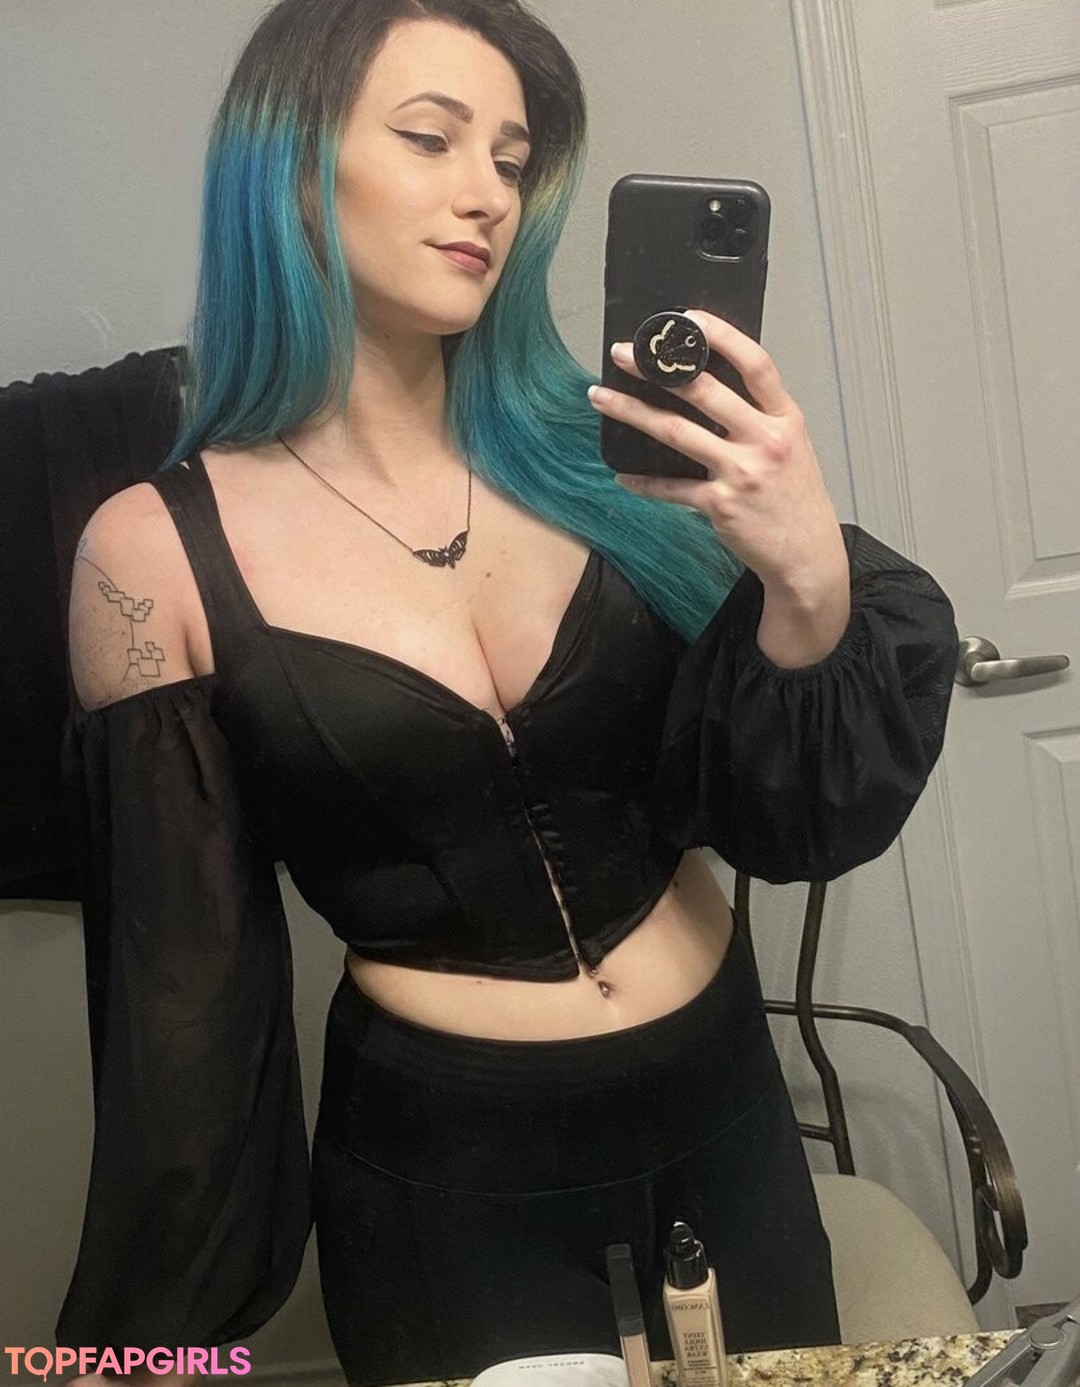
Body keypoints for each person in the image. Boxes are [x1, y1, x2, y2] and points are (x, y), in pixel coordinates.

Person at [59, 1, 958, 1383]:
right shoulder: (152, 555)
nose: (488, 191)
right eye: (432, 139)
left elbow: (796, 823)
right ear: (289, 166)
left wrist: (806, 579)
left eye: (513, 158)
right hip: (447, 1181)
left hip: (723, 1110)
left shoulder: (615, 457)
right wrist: (139, 1362)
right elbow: (179, 1008)